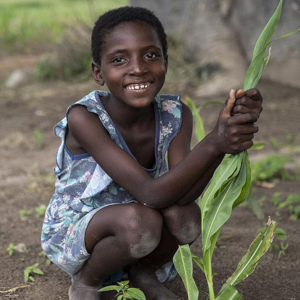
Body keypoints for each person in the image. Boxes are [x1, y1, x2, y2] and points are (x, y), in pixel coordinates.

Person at [41, 6, 263, 300]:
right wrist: (213, 143)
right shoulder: (86, 118)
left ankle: (143, 273)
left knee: (185, 215)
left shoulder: (175, 113)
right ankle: (86, 282)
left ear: (166, 62)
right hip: (80, 234)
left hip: (143, 230)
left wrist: (225, 143)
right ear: (98, 72)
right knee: (139, 221)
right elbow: (152, 194)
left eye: (151, 55)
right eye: (119, 59)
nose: (138, 68)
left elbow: (182, 194)